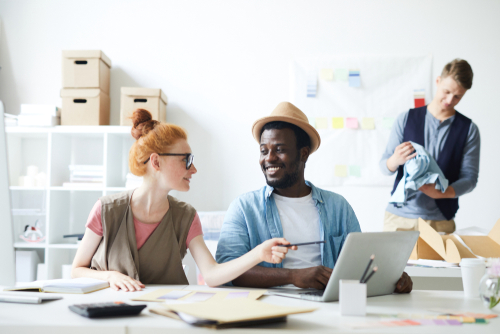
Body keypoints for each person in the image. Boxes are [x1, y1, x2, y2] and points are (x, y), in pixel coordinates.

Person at [72, 109, 295, 291]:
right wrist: (110, 276)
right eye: (186, 160)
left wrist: (259, 253)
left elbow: (212, 275)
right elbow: (76, 270)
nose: (194, 169)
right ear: (156, 162)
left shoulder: (186, 216)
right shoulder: (106, 210)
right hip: (105, 314)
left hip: (162, 318)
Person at [216, 102, 412, 292]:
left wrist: (391, 277)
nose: (269, 158)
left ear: (303, 154)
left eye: (280, 149)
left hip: (328, 306)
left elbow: (359, 265)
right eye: (263, 151)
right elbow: (227, 270)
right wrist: (293, 276)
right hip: (267, 306)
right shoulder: (244, 207)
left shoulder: (338, 207)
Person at [380, 59, 480, 233]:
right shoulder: (405, 119)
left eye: (457, 96)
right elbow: (384, 167)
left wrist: (444, 192)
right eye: (446, 91)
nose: (449, 100)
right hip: (398, 219)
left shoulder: (469, 130)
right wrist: (395, 160)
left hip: (440, 221)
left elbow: (470, 179)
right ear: (438, 81)